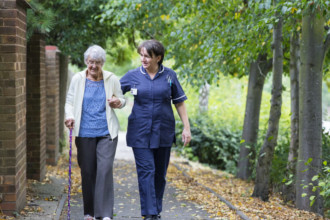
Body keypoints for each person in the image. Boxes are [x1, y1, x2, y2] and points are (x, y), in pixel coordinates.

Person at [120, 39, 191, 220]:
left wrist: (186, 127)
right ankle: (150, 213)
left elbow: (179, 102)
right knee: (147, 171)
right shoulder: (133, 75)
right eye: (141, 55)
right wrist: (115, 101)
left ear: (158, 58)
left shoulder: (169, 76)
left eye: (147, 56)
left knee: (160, 174)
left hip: (163, 131)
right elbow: (114, 91)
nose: (143, 59)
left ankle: (155, 210)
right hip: (140, 131)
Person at [64, 45, 125, 220]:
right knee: (88, 171)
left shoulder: (111, 79)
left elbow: (122, 99)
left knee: (104, 170)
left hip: (107, 132)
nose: (93, 66)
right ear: (86, 62)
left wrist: (117, 102)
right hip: (84, 132)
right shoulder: (78, 79)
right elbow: (69, 101)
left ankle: (104, 214)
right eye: (91, 62)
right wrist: (69, 116)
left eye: (97, 62)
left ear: (102, 63)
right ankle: (89, 212)